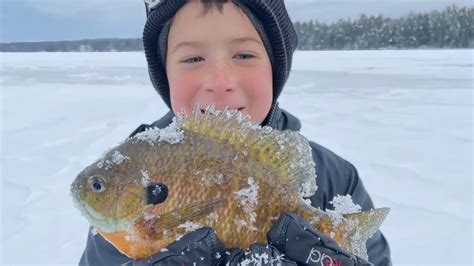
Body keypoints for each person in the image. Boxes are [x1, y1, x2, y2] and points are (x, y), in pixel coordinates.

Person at [79, 0, 392, 265]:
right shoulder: (133, 177)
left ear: (275, 67)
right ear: (165, 74)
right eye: (192, 58)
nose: (220, 80)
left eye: (244, 55)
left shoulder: (336, 180)